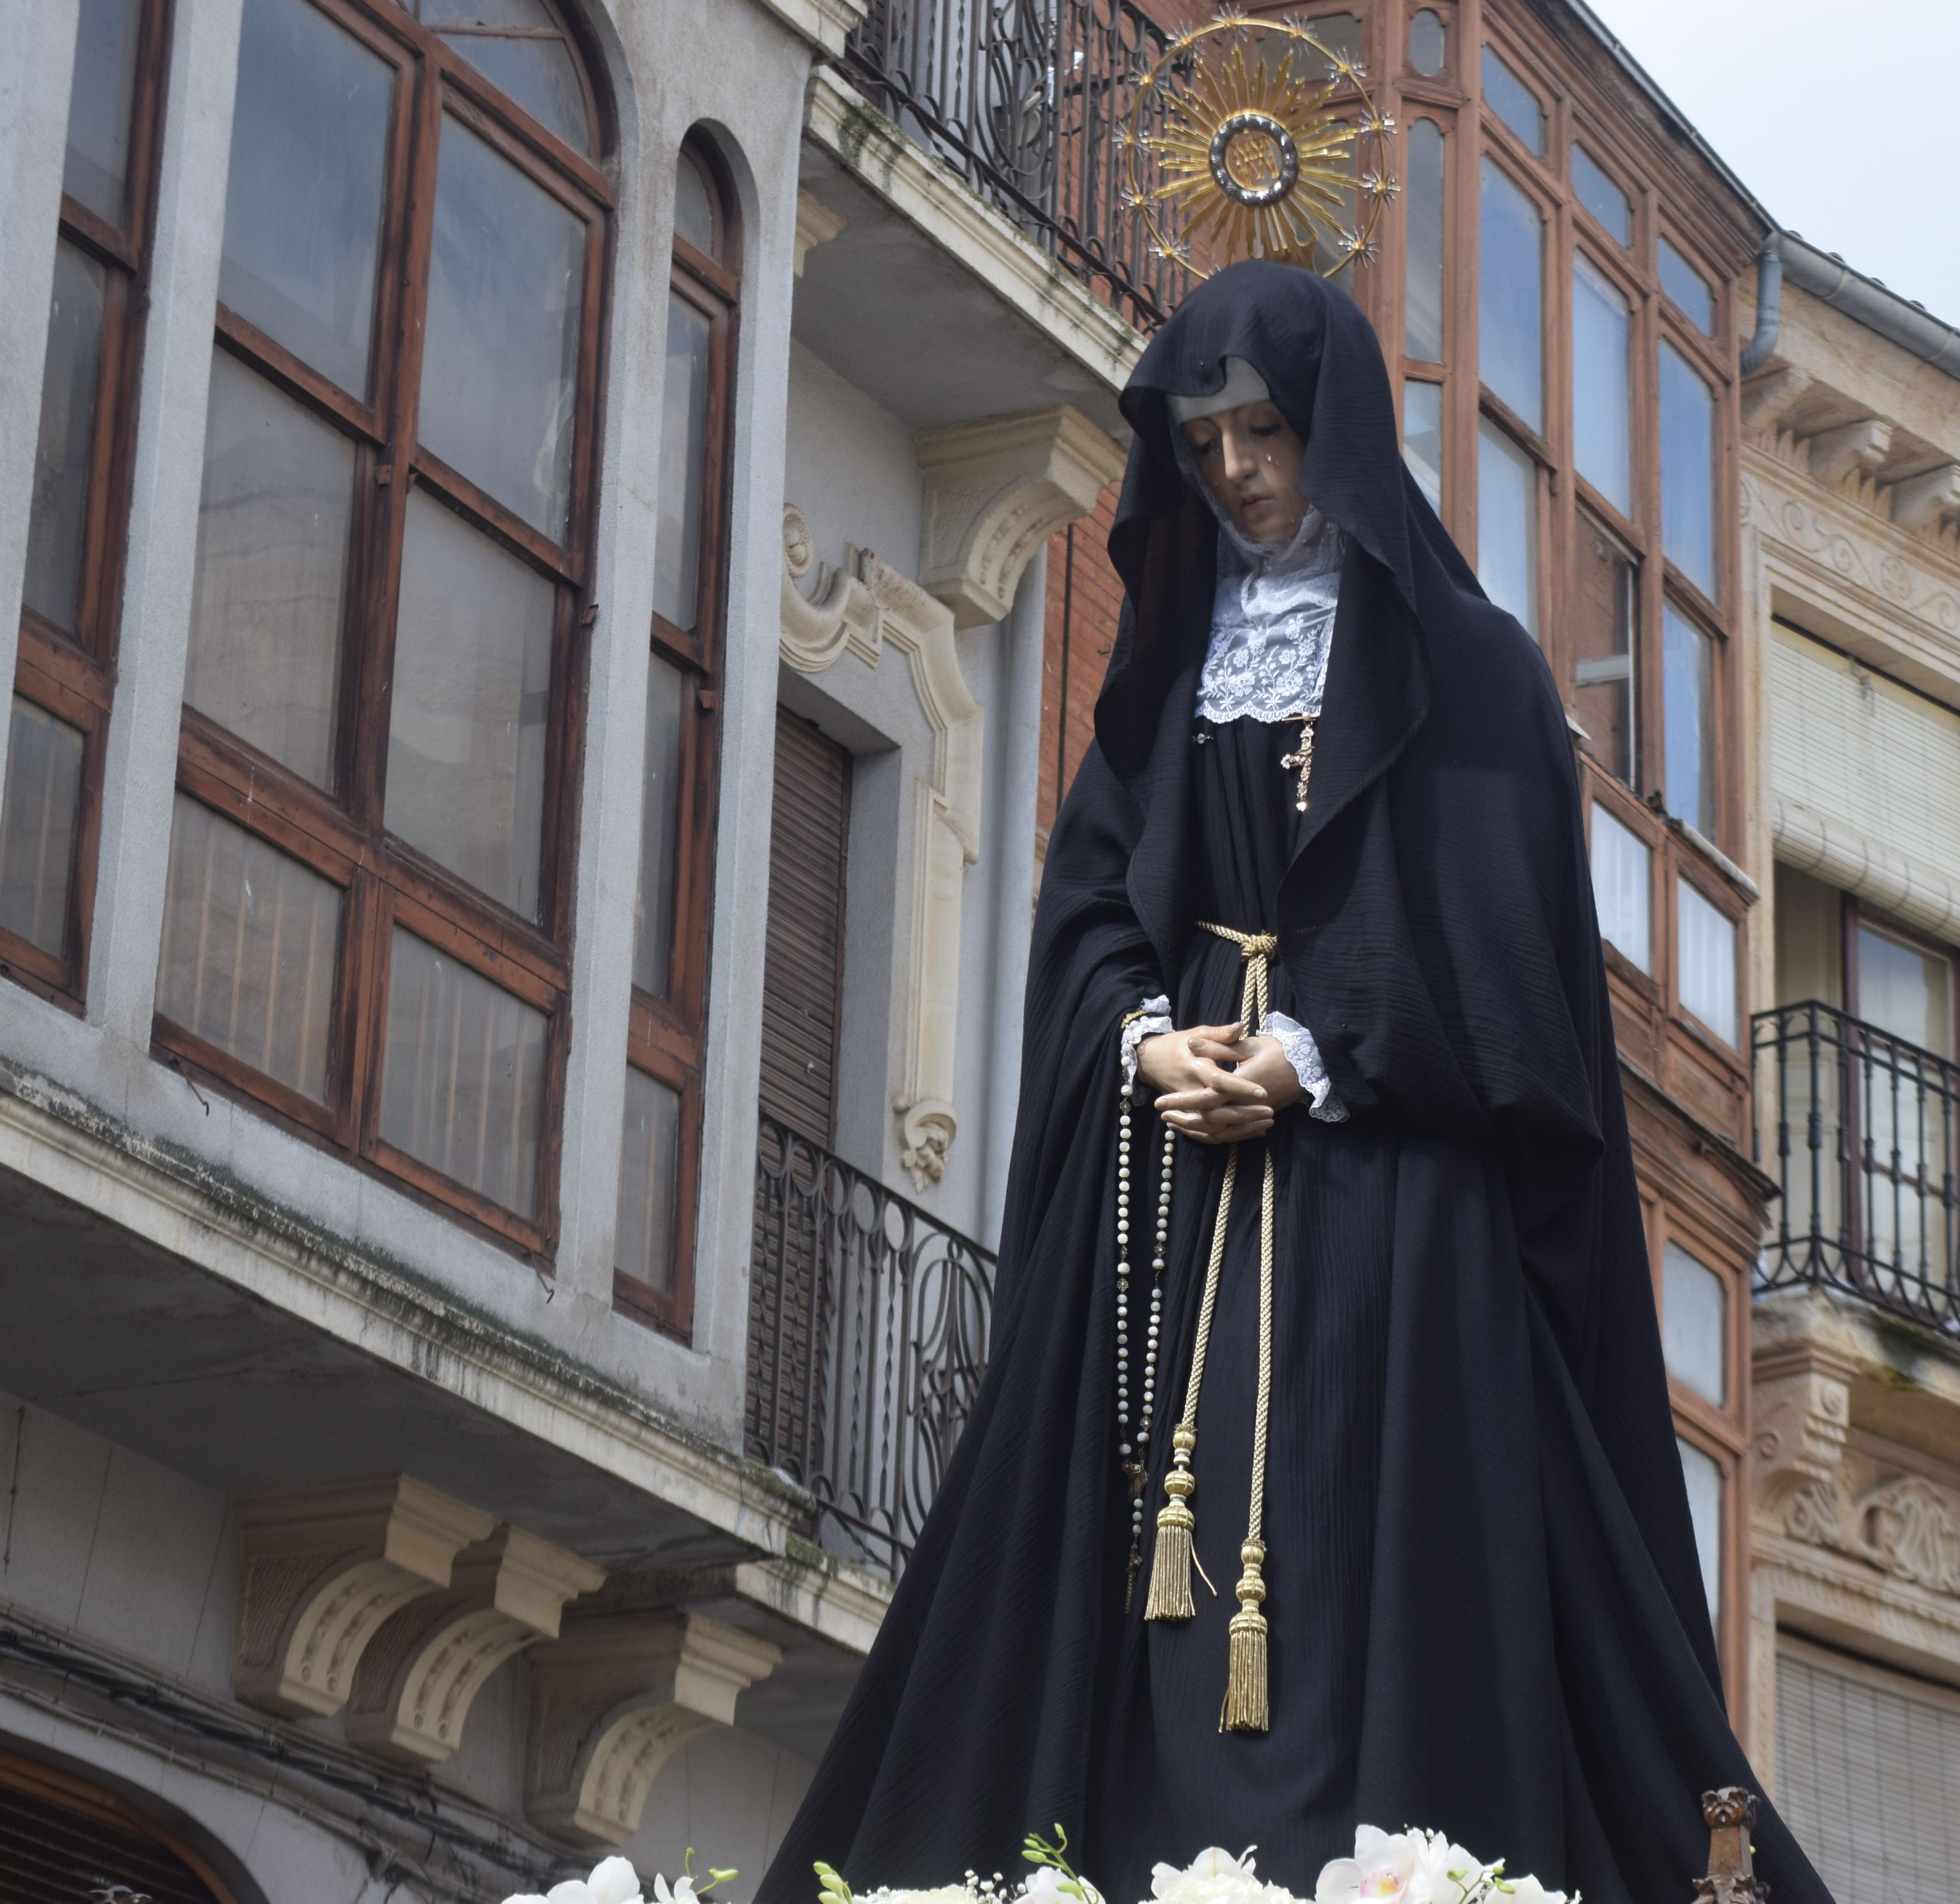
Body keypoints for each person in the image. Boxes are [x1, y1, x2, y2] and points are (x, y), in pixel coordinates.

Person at [758, 262, 1829, 1904]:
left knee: (1367, 1544)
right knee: (1124, 1566)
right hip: (1178, 1193)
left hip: (1385, 1206)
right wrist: (1142, 1031)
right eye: (1206, 441)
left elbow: (1506, 964)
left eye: (1266, 430)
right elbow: (1094, 897)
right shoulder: (1178, 671)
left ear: (1329, 428)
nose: (1241, 469)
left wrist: (1314, 1054)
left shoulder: (1468, 671)